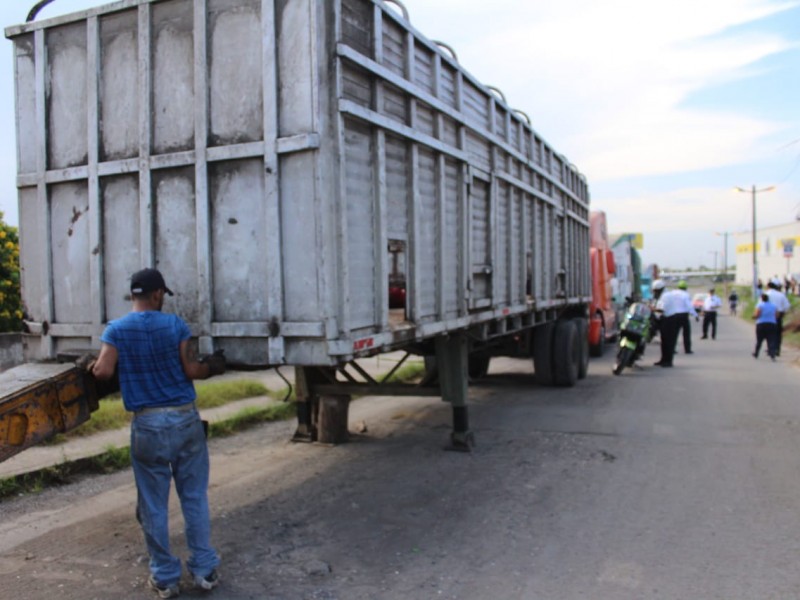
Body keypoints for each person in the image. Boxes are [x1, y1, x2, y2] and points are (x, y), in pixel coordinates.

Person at [91, 268, 226, 598]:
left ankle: (165, 577)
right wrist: (212, 366)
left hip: (147, 425)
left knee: (153, 504)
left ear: (133, 295)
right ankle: (204, 570)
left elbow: (103, 371)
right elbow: (192, 369)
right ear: (156, 294)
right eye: (162, 294)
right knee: (193, 496)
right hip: (184, 420)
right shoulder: (175, 325)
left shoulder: (117, 330)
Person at [652, 279, 680, 367]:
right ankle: (664, 359)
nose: (654, 293)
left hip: (670, 320)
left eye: (655, 291)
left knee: (669, 341)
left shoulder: (666, 296)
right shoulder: (663, 295)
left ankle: (668, 361)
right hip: (666, 319)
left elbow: (661, 309)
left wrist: (651, 309)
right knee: (664, 341)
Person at [765, 278, 790, 357]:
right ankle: (777, 349)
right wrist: (783, 313)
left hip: (767, 317)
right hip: (778, 316)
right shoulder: (781, 295)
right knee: (778, 334)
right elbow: (787, 306)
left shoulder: (766, 294)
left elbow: (760, 306)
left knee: (769, 333)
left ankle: (770, 348)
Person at [752, 291, 778, 361]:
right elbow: (776, 315)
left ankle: (756, 353)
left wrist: (753, 317)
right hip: (772, 324)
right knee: (771, 340)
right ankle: (772, 354)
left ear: (762, 299)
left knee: (759, 340)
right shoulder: (774, 305)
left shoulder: (760, 305)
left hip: (761, 324)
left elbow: (757, 314)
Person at [673, 280, 697, 354]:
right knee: (686, 333)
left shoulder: (672, 293)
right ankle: (687, 349)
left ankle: (672, 349)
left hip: (674, 315)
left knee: (674, 333)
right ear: (685, 288)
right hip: (683, 315)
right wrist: (695, 315)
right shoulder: (685, 294)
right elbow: (689, 306)